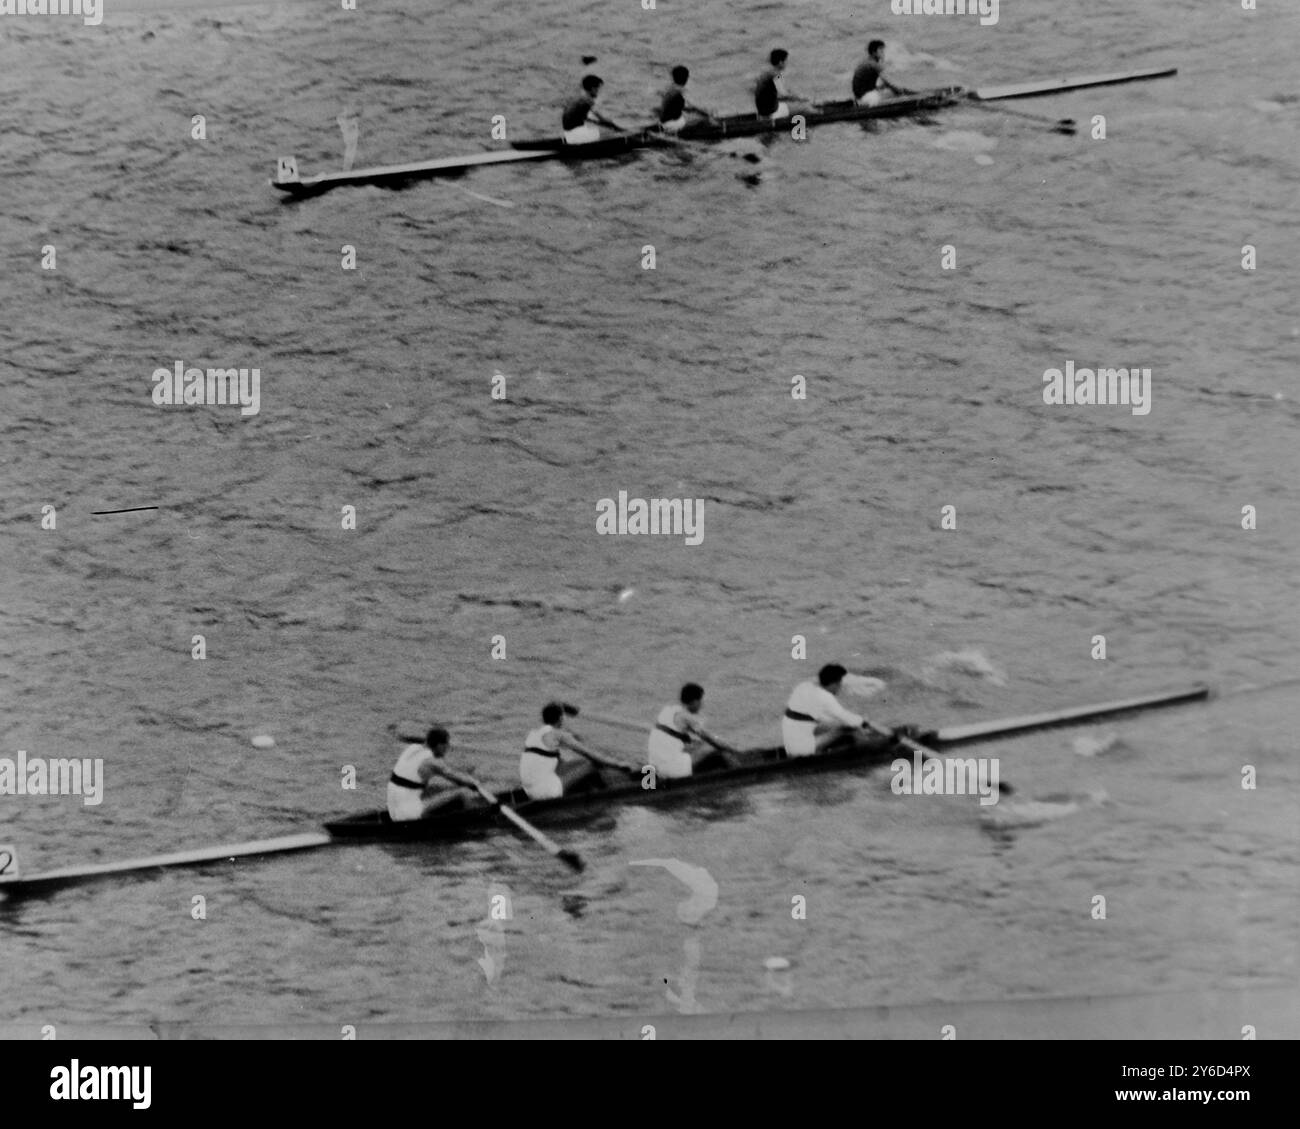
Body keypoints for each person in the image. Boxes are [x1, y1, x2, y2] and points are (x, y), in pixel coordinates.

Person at [520, 702, 623, 799]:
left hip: (529, 792)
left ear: (544, 719)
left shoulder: (532, 734)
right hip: (548, 792)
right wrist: (618, 764)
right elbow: (591, 755)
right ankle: (607, 795)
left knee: (573, 763)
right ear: (561, 718)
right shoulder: (559, 735)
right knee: (592, 764)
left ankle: (585, 791)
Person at [387, 727, 479, 822]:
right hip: (409, 815)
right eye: (446, 745)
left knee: (425, 794)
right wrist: (474, 783)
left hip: (393, 811)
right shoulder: (433, 762)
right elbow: (460, 780)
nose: (447, 749)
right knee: (462, 793)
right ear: (439, 745)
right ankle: (475, 821)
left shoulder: (412, 748)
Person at [782, 664, 872, 758]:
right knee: (845, 729)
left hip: (790, 746)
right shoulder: (825, 696)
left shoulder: (804, 687)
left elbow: (827, 718)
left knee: (833, 725)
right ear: (834, 684)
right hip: (802, 752)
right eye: (839, 684)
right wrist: (863, 721)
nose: (840, 688)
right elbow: (847, 718)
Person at [646, 683, 735, 779]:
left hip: (655, 765)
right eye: (701, 702)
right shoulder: (687, 717)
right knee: (713, 747)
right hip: (670, 771)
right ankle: (737, 771)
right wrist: (732, 749)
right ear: (695, 701)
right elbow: (711, 739)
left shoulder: (668, 710)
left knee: (696, 745)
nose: (702, 705)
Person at [562, 75, 618, 145]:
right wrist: (611, 124)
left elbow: (579, 117)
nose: (598, 92)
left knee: (596, 129)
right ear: (592, 89)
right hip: (576, 137)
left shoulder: (577, 98)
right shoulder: (588, 100)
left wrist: (599, 122)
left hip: (568, 136)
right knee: (609, 132)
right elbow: (600, 117)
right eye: (597, 89)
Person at [852, 40, 907, 107]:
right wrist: (901, 91)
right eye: (881, 51)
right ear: (874, 53)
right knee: (892, 92)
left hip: (860, 97)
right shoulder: (874, 64)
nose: (883, 53)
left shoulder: (866, 61)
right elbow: (888, 82)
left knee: (885, 88)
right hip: (868, 98)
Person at [657, 65, 702, 133]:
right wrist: (706, 114)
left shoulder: (668, 89)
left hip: (662, 122)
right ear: (686, 78)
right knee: (701, 121)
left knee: (690, 118)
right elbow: (691, 108)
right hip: (673, 125)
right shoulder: (681, 91)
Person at [754, 49, 792, 119]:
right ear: (781, 62)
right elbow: (783, 94)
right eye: (786, 61)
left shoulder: (765, 73)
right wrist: (799, 98)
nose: (787, 64)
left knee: (786, 104)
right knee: (803, 107)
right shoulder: (776, 75)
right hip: (772, 113)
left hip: (761, 112)